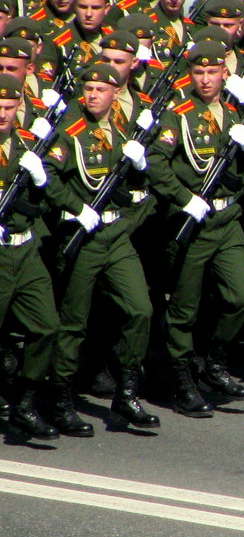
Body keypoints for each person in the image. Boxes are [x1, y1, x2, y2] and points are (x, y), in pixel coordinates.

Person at [43, 62, 158, 435]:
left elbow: (136, 183)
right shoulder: (71, 132)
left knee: (140, 309)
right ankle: (59, 399)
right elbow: (48, 177)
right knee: (74, 323)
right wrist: (76, 209)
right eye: (88, 89)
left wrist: (140, 166)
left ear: (115, 95)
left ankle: (126, 393)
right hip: (84, 238)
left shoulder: (124, 130)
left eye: (101, 90)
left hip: (115, 235)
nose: (93, 95)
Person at [149, 41, 244, 416]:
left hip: (227, 219)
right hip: (193, 219)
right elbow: (157, 164)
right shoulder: (177, 114)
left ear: (225, 73)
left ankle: (213, 362)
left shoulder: (235, 111)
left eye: (213, 72)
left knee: (242, 298)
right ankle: (183, 380)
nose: (206, 79)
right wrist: (183, 197)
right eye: (199, 72)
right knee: (184, 308)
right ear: (190, 74)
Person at [0, 73, 60, 440]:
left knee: (46, 326)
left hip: (25, 249)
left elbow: (50, 200)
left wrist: (41, 181)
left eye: (9, 107)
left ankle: (25, 403)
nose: (2, 114)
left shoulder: (28, 145)